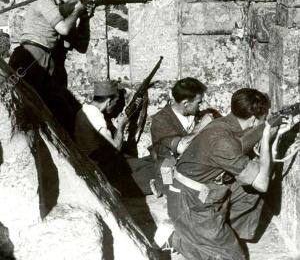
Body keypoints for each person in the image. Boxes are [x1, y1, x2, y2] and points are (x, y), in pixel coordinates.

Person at [155, 88, 298, 260]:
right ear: (253, 118)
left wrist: (276, 133)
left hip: (199, 192)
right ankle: (178, 240)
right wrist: (266, 136)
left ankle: (217, 236)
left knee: (250, 192)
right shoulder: (224, 142)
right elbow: (262, 183)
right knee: (234, 258)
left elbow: (245, 147)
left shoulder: (223, 123)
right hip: (190, 205)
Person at [9, 0, 93, 134]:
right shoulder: (45, 1)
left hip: (45, 61)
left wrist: (84, 19)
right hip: (31, 56)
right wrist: (77, 11)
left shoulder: (62, 10)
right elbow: (63, 29)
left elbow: (81, 47)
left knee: (63, 114)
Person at [74, 80, 156, 197]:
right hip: (101, 166)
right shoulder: (96, 116)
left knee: (145, 162)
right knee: (152, 170)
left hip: (98, 160)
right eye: (116, 102)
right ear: (109, 101)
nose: (116, 105)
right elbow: (116, 147)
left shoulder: (84, 110)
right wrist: (121, 126)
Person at [151, 77, 220, 195]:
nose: (201, 105)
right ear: (186, 103)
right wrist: (203, 125)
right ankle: (160, 186)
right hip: (171, 171)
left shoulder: (198, 115)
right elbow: (182, 148)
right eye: (198, 102)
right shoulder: (161, 120)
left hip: (194, 168)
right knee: (199, 195)